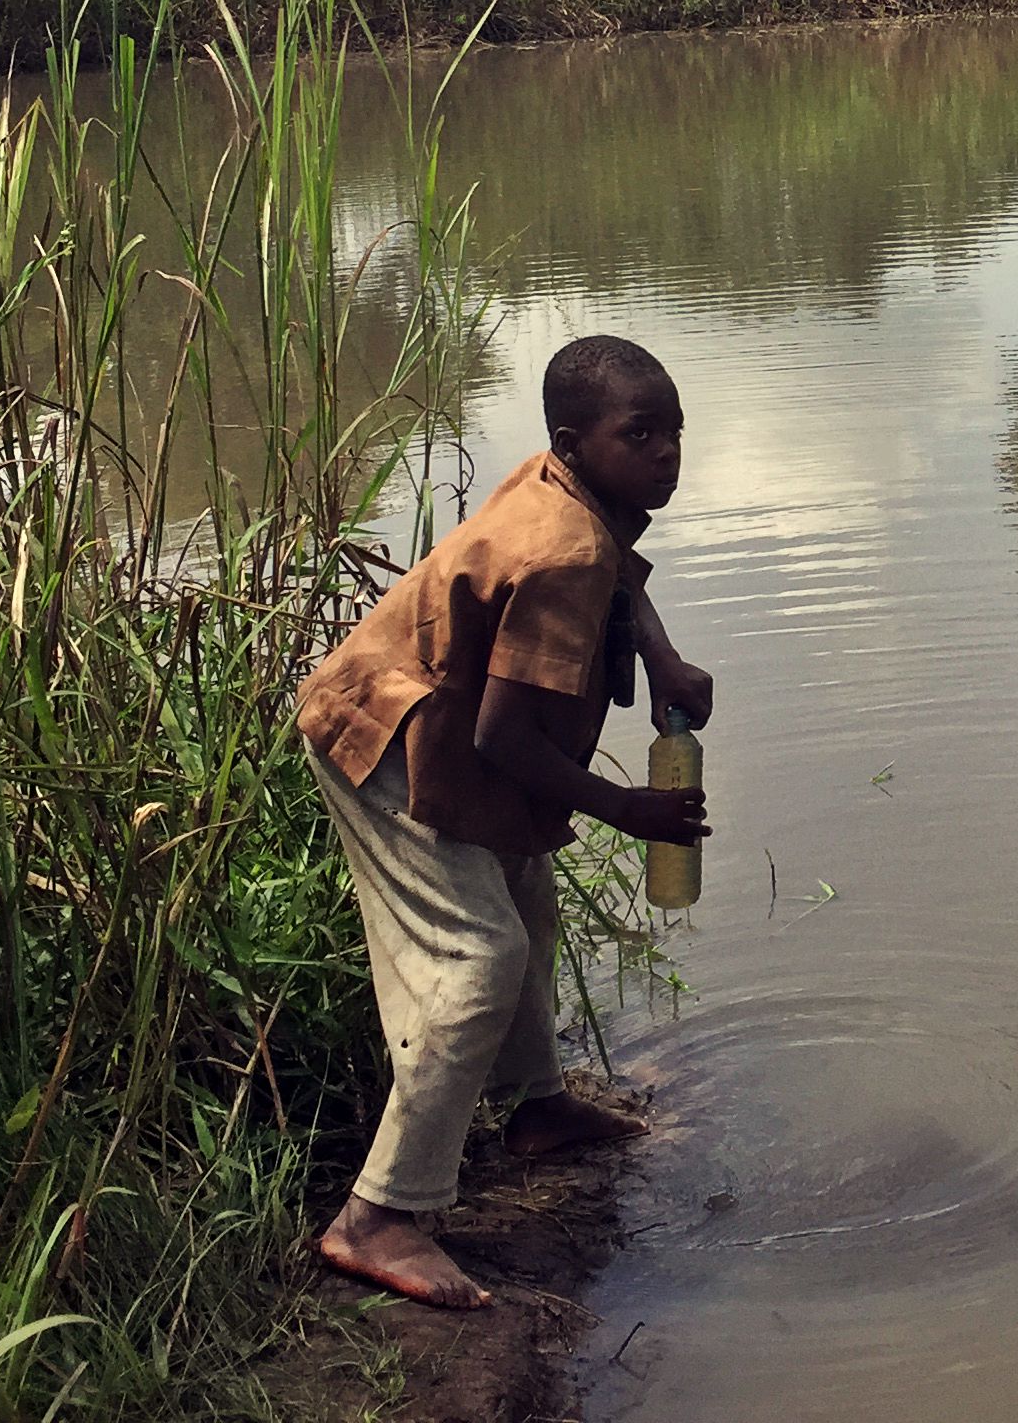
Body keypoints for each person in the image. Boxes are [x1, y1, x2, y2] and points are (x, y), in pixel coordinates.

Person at [294, 333, 715, 1310]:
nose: (666, 454)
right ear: (577, 441)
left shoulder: (566, 491)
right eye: (640, 434)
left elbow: (620, 572)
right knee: (479, 960)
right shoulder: (562, 547)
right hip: (384, 742)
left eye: (674, 432)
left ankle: (539, 1111)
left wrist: (659, 659)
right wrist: (628, 808)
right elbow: (501, 741)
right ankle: (377, 1216)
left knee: (530, 909)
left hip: (428, 717)